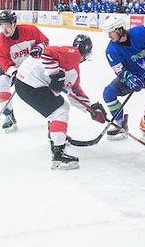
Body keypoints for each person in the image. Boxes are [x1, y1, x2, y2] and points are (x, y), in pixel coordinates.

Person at [13, 34, 107, 170]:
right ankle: (58, 153)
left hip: (25, 83)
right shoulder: (73, 54)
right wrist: (55, 74)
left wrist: (91, 109)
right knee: (61, 110)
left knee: (57, 103)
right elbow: (46, 53)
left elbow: (75, 92)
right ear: (86, 53)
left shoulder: (73, 68)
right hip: (30, 82)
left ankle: (55, 135)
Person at [102, 16, 145, 139]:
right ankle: (121, 125)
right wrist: (130, 79)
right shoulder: (111, 50)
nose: (109, 37)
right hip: (135, 76)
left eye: (111, 32)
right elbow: (119, 70)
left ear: (119, 30)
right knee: (109, 93)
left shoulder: (138, 33)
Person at [0, 10, 50, 132]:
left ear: (14, 24)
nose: (4, 30)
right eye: (1, 26)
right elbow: (4, 62)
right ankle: (8, 115)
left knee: (48, 83)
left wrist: (39, 48)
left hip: (31, 67)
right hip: (13, 67)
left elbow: (45, 41)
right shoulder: (0, 43)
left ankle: (54, 112)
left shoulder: (30, 30)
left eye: (7, 26)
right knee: (1, 84)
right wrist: (13, 73)